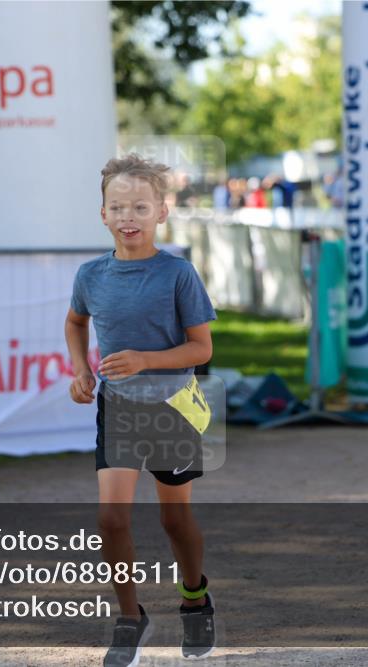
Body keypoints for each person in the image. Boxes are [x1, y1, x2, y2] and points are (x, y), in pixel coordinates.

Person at [65, 153, 218, 666]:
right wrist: (81, 371)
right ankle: (130, 618)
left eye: (140, 206)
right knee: (111, 518)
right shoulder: (90, 274)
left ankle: (195, 598)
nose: (128, 216)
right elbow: (74, 323)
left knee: (175, 521)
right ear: (102, 215)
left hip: (173, 409)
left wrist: (146, 360)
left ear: (162, 212)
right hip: (120, 407)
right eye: (118, 206)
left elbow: (202, 350)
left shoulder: (177, 273)